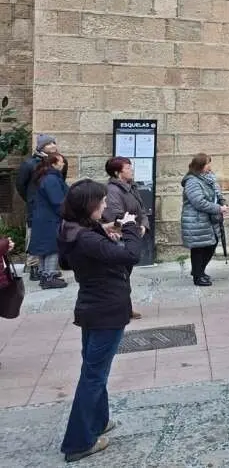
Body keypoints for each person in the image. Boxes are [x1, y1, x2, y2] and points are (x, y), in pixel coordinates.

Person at [58, 179, 143, 463]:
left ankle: (98, 420)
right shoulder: (87, 239)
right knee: (93, 376)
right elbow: (132, 255)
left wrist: (105, 232)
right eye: (102, 202)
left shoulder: (73, 230)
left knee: (95, 370)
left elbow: (68, 261)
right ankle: (79, 442)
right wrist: (130, 227)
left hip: (92, 307)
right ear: (90, 205)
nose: (106, 205)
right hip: (106, 309)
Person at [103, 156, 149, 319]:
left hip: (132, 234)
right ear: (117, 173)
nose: (131, 170)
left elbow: (141, 210)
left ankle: (124, 308)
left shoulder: (131, 187)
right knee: (120, 275)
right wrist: (132, 228)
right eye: (128, 168)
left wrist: (143, 225)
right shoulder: (112, 191)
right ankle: (120, 309)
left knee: (124, 274)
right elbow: (115, 215)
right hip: (120, 237)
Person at [15, 134, 61, 281]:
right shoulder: (29, 164)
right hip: (35, 207)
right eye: (50, 143)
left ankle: (46, 268)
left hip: (48, 207)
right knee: (33, 236)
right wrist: (31, 200)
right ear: (42, 147)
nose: (54, 145)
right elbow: (21, 185)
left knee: (47, 238)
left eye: (54, 142)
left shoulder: (56, 163)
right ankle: (33, 266)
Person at [180, 153, 229, 287]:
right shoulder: (192, 181)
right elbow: (199, 202)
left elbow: (216, 193)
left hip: (208, 219)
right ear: (200, 166)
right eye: (207, 163)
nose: (210, 166)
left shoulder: (209, 178)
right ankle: (198, 276)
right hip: (196, 220)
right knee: (199, 248)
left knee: (211, 244)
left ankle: (199, 271)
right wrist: (218, 208)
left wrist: (222, 201)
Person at [28, 152, 69, 290]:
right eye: (61, 161)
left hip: (43, 218)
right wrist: (67, 214)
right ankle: (49, 277)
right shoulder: (51, 179)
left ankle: (44, 274)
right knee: (52, 247)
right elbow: (58, 201)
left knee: (44, 248)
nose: (63, 164)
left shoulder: (46, 177)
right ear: (54, 163)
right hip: (50, 219)